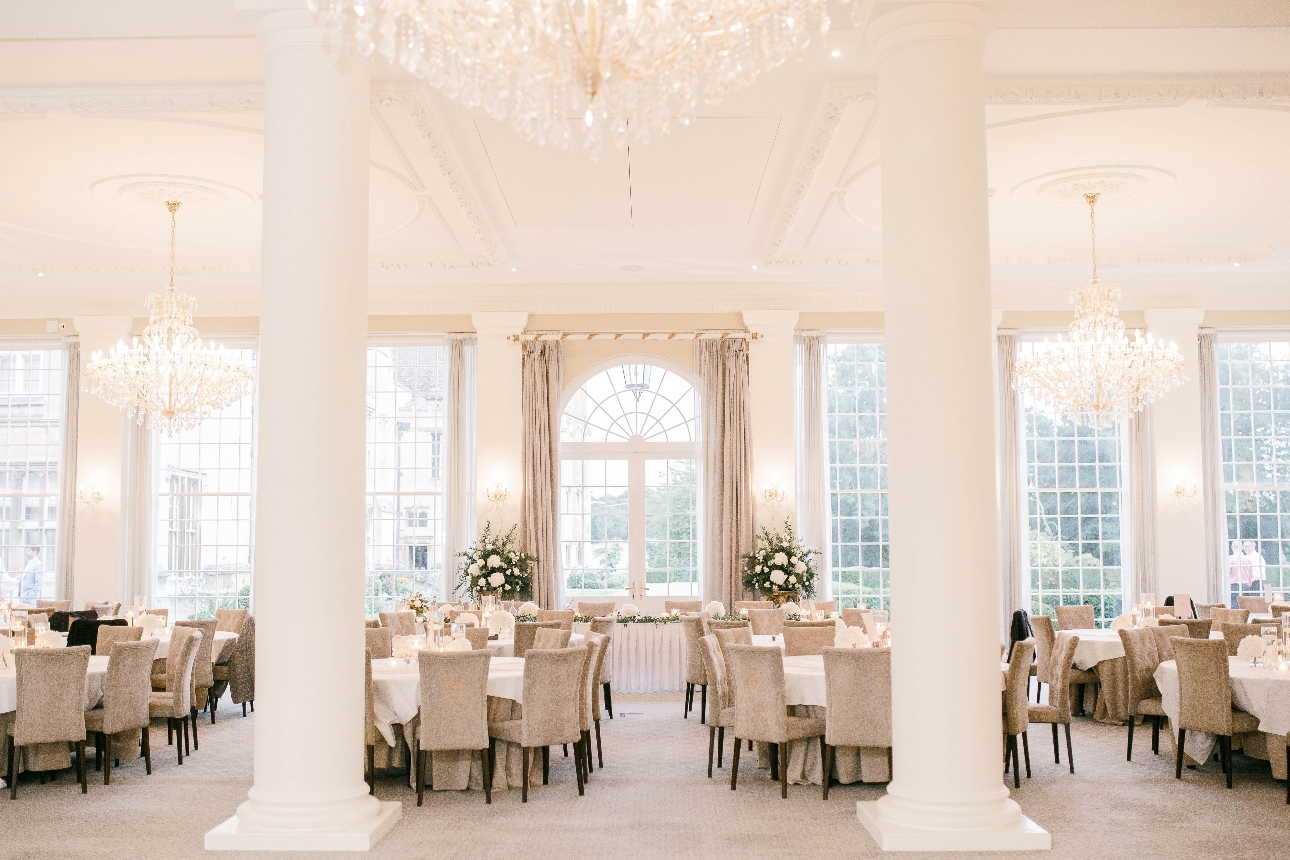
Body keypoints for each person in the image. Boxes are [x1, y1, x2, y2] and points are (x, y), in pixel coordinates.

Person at [1228, 539, 1251, 608]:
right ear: (1241, 548)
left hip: (1234, 585)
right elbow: (1251, 575)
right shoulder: (1247, 559)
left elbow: (1227, 572)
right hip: (1246, 585)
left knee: (1235, 605)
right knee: (1245, 606)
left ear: (1233, 548)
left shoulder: (1231, 559)